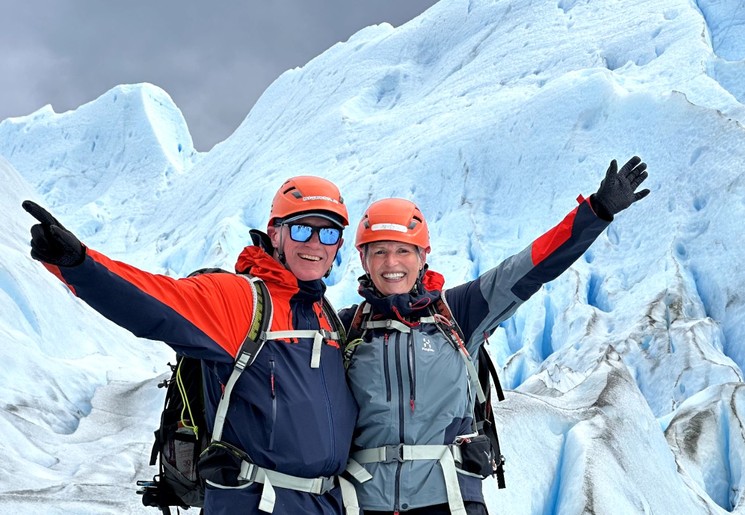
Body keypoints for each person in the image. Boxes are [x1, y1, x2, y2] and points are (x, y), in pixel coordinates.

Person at [22, 176, 359, 515]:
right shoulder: (243, 300)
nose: (315, 243)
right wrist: (81, 266)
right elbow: (157, 301)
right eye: (302, 229)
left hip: (324, 505)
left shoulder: (326, 316)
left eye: (328, 233)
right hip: (255, 505)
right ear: (276, 233)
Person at [339, 157, 650, 514]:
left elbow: (530, 267)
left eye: (402, 250)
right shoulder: (347, 329)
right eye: (379, 251)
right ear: (363, 259)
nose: (391, 263)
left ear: (423, 256)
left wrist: (595, 212)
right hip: (364, 505)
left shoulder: (457, 313)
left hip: (450, 502)